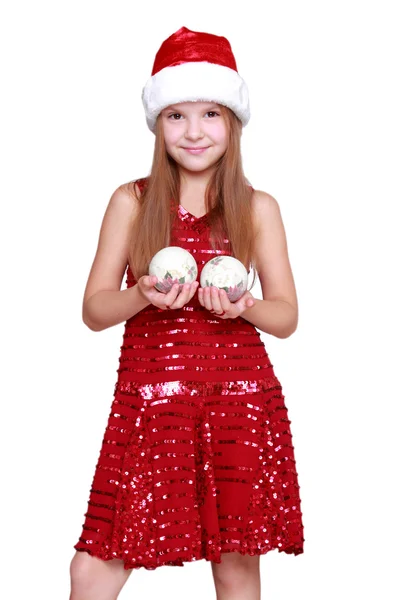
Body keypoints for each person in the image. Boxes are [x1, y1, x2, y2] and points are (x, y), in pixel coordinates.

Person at [69, 25, 304, 600]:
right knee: (93, 567)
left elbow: (286, 316)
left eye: (210, 115)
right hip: (151, 402)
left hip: (239, 400)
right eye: (176, 115)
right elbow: (95, 310)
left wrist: (245, 307)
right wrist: (142, 294)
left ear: (233, 124)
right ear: (157, 125)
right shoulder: (133, 200)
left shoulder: (257, 207)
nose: (194, 131)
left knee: (235, 567)